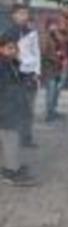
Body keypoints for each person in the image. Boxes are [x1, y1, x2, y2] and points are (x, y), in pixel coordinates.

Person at [0, 33, 37, 186]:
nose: (14, 51)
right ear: (1, 48)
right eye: (10, 48)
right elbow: (7, 88)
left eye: (15, 48)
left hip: (11, 107)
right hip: (6, 109)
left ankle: (10, 168)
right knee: (11, 140)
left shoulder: (10, 63)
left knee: (10, 140)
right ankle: (11, 172)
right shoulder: (2, 65)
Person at [3, 4, 40, 148]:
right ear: (14, 15)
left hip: (30, 76)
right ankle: (13, 140)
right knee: (15, 110)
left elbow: (36, 54)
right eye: (21, 13)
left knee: (29, 109)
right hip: (14, 77)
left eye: (26, 13)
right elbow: (6, 57)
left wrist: (37, 73)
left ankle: (26, 138)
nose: (25, 16)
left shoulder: (31, 33)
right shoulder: (8, 34)